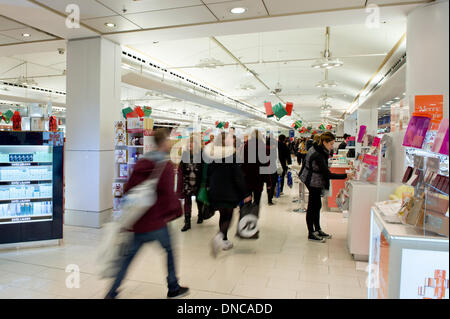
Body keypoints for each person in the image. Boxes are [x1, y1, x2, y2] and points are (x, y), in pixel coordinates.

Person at [105, 129, 189, 299]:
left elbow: (128, 189)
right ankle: (173, 287)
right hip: (156, 222)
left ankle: (111, 293)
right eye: (168, 141)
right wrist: (175, 211)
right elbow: (167, 195)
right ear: (164, 143)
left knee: (127, 259)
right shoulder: (164, 165)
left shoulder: (141, 162)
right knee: (169, 250)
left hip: (137, 222)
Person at [299, 132, 353, 242]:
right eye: (331, 144)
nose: (332, 146)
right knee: (312, 207)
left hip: (312, 179)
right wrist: (345, 176)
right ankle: (311, 233)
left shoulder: (317, 149)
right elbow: (327, 174)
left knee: (317, 205)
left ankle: (317, 229)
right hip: (312, 181)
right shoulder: (318, 154)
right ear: (324, 142)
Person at [204, 132, 251, 257]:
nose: (233, 140)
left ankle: (224, 240)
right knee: (229, 217)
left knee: (222, 215)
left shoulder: (212, 154)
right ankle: (219, 237)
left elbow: (208, 172)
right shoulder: (231, 155)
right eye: (231, 138)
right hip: (228, 191)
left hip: (215, 190)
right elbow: (238, 176)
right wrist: (245, 193)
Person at [179, 134, 204, 232]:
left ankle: (200, 215)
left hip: (198, 181)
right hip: (187, 181)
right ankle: (187, 222)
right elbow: (182, 167)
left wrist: (205, 183)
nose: (190, 145)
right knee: (187, 201)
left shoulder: (202, 154)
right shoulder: (185, 154)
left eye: (192, 143)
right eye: (189, 143)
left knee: (199, 200)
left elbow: (204, 168)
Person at [241, 130, 265, 206]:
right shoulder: (262, 146)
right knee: (257, 199)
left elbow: (243, 161)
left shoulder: (247, 145)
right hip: (259, 176)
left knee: (248, 198)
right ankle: (254, 213)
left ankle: (247, 214)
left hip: (248, 175)